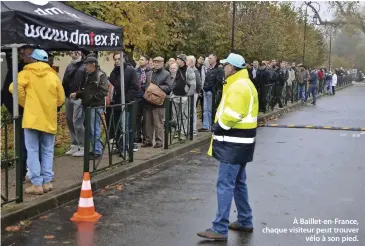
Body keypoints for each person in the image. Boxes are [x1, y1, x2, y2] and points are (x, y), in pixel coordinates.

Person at [197, 53, 258, 241]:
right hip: (243, 143)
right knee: (239, 182)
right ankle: (245, 220)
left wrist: (218, 126)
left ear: (232, 68)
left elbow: (233, 114)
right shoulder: (243, 83)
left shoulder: (238, 86)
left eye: (225, 65)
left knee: (225, 184)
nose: (223, 68)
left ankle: (219, 228)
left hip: (234, 143)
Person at [9, 49, 65, 195]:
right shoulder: (54, 76)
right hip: (49, 119)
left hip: (32, 118)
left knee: (32, 150)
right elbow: (61, 99)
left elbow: (13, 88)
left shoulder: (26, 73)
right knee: (47, 150)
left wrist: (25, 102)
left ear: (33, 59)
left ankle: (36, 184)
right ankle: (47, 182)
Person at [70, 56, 109, 159]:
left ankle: (97, 151)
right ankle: (94, 149)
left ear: (93, 65)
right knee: (90, 129)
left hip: (95, 106)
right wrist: (78, 94)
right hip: (88, 106)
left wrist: (91, 98)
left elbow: (104, 91)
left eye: (87, 65)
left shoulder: (100, 75)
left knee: (94, 129)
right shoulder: (89, 75)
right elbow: (87, 91)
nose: (85, 67)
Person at [141, 57, 172, 148]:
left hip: (159, 102)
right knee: (148, 123)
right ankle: (148, 140)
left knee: (158, 123)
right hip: (148, 101)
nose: (156, 64)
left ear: (163, 63)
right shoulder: (149, 73)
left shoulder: (166, 74)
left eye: (158, 62)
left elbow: (169, 88)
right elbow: (146, 86)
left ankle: (159, 141)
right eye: (155, 62)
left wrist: (157, 87)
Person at [62, 51, 86, 157]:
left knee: (77, 121)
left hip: (79, 97)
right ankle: (74, 144)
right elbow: (64, 81)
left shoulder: (84, 65)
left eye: (76, 51)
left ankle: (83, 145)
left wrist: (80, 94)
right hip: (69, 96)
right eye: (71, 52)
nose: (74, 53)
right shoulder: (69, 66)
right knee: (69, 119)